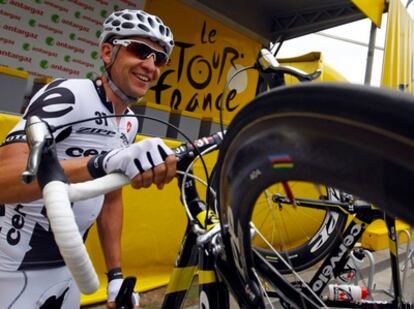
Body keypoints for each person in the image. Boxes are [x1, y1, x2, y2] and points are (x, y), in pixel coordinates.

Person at [0, 9, 176, 308]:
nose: (150, 65)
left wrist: (115, 275)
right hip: (12, 267)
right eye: (140, 50)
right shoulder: (70, 94)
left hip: (68, 269)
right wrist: (101, 163)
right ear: (108, 52)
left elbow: (111, 200)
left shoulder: (130, 123)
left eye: (159, 58)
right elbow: (4, 178)